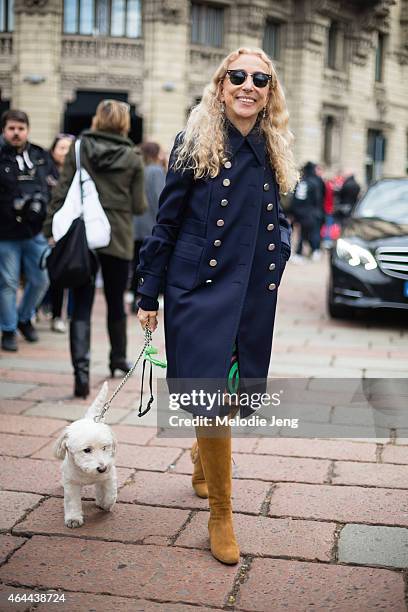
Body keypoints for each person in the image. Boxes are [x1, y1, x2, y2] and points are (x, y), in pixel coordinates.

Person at [136, 48, 297, 564]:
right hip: (198, 287)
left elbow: (278, 215)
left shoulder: (274, 144)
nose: (248, 85)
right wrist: (148, 293)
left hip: (250, 287)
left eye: (260, 79)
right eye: (238, 76)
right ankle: (222, 515)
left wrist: (282, 249)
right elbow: (166, 223)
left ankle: (203, 458)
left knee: (232, 390)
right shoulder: (193, 140)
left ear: (270, 91)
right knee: (209, 390)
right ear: (221, 84)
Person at [44, 100, 146, 398]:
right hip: (117, 236)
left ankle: (81, 374)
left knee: (81, 303)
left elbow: (63, 190)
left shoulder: (78, 149)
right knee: (116, 301)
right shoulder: (132, 156)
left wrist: (51, 227)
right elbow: (139, 205)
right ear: (124, 123)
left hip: (82, 236)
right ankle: (118, 359)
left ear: (97, 120)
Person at [0, 109, 50, 352]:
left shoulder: (39, 155)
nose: (16, 133)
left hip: (34, 232)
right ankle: (8, 329)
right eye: (11, 128)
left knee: (41, 280)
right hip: (5, 232)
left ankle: (23, 318)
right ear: (4, 130)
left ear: (27, 130)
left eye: (20, 128)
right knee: (8, 283)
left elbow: (52, 185)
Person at [41, 133, 75, 333]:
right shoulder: (45, 173)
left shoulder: (79, 174)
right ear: (53, 150)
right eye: (61, 147)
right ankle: (47, 309)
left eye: (69, 148)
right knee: (48, 273)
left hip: (71, 232)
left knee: (69, 273)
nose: (65, 152)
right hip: (49, 229)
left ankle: (63, 314)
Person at [131, 141, 166, 311]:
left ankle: (133, 297)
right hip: (151, 225)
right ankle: (143, 296)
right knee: (149, 263)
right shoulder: (156, 171)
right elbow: (161, 198)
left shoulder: (138, 169)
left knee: (136, 263)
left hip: (135, 225)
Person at [290, 161, 323, 262]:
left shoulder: (301, 181)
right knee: (312, 233)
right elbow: (317, 199)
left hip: (300, 212)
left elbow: (294, 198)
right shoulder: (315, 182)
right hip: (310, 212)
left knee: (302, 233)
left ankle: (302, 253)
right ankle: (314, 250)